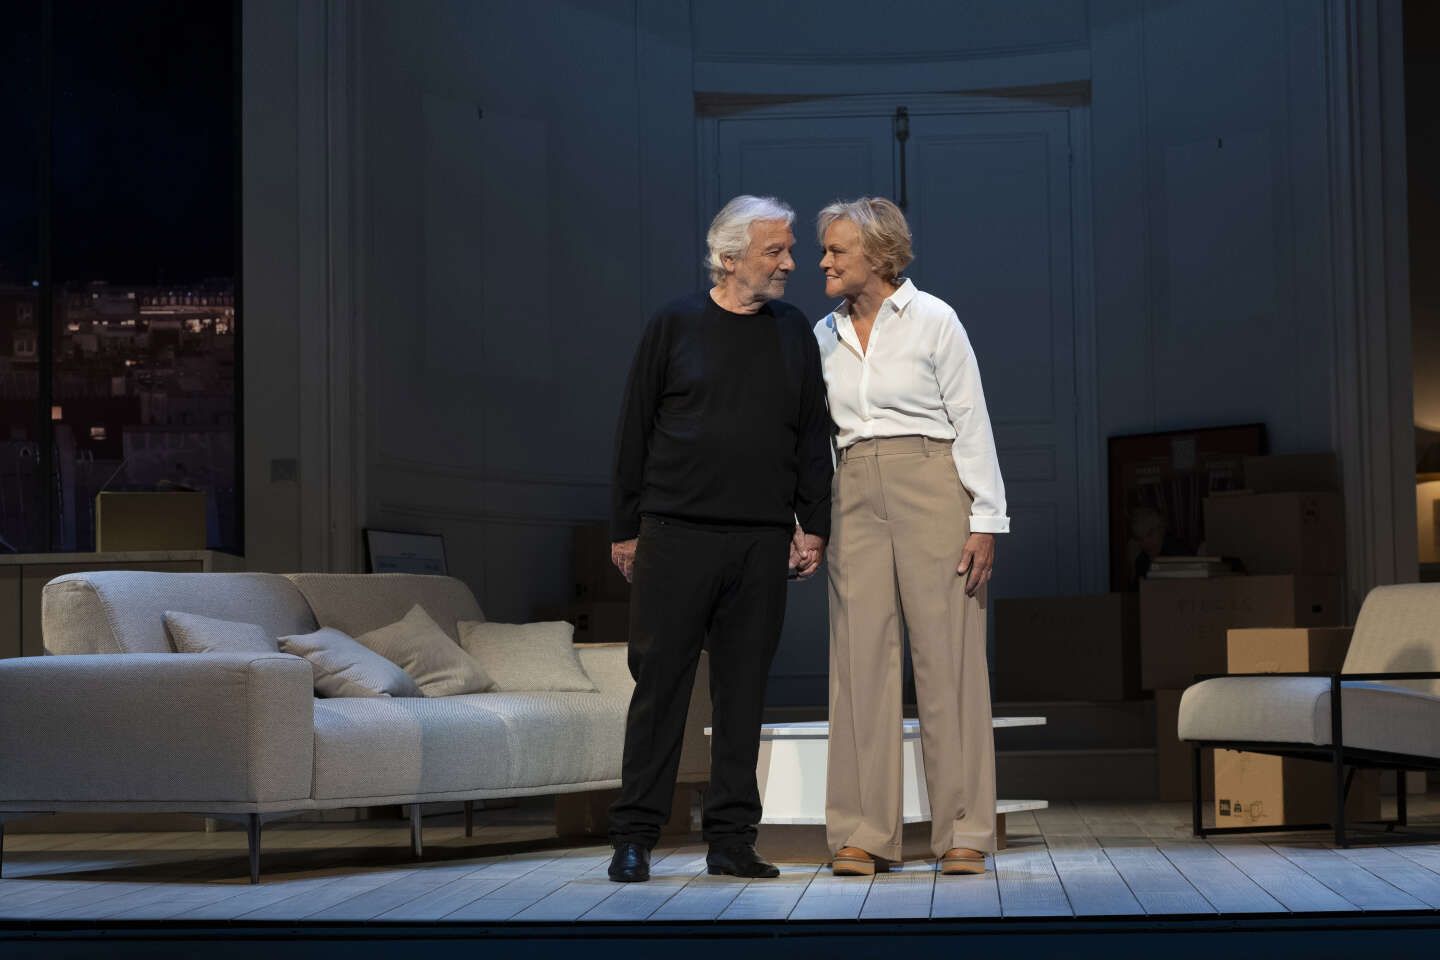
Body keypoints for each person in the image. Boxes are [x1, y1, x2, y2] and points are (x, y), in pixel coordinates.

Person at [606, 195, 833, 883]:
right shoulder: (674, 324)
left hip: (760, 541)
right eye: (777, 250)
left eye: (791, 248)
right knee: (660, 690)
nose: (791, 262)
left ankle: (732, 840)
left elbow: (810, 437)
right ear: (730, 257)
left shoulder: (793, 331)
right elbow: (634, 429)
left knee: (743, 696)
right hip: (675, 535)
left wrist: (813, 524)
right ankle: (636, 836)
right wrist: (625, 528)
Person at [813, 197, 1008, 877]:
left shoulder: (933, 320)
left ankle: (964, 831)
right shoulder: (823, 335)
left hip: (932, 480)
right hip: (853, 489)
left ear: (878, 254)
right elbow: (815, 441)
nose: (824, 261)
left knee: (947, 658)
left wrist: (986, 519)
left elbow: (973, 420)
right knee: (859, 663)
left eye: (837, 250)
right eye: (825, 250)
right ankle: (863, 832)